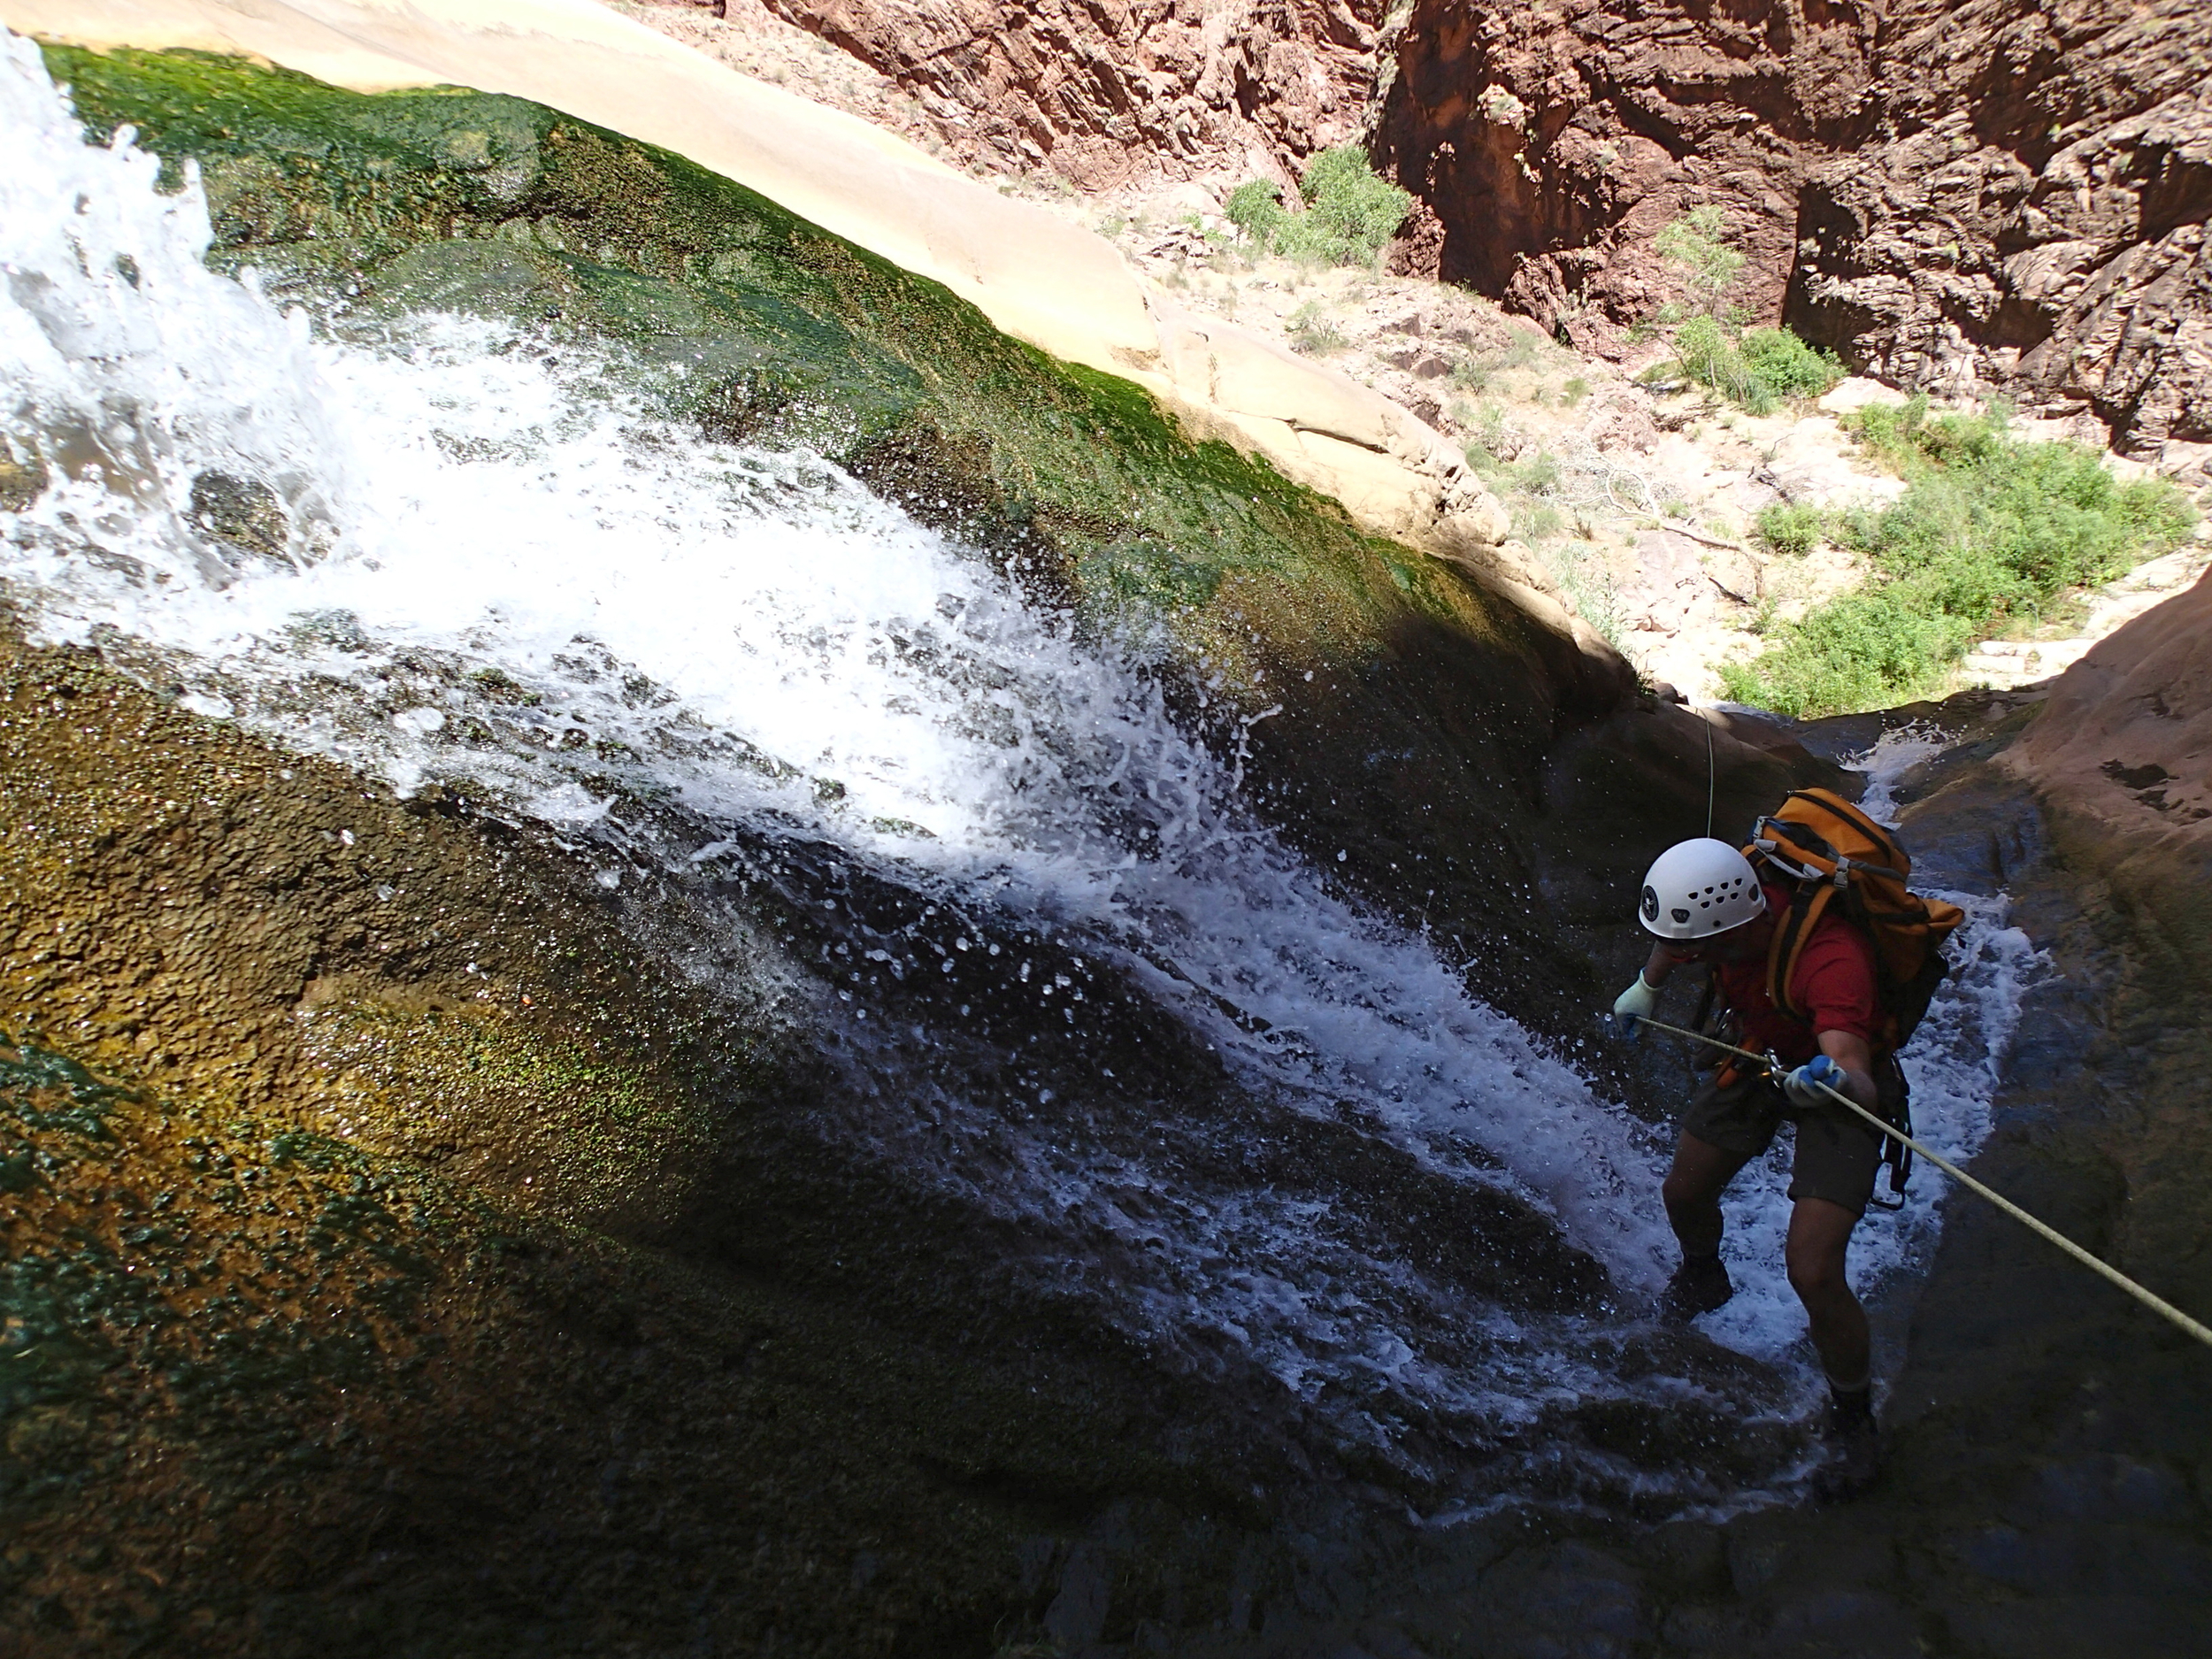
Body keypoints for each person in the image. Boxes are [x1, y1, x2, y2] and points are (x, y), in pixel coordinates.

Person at [1610, 836, 1890, 1500]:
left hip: (1838, 1080)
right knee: (1683, 1191)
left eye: (1698, 950)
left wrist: (1833, 1085)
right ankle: (1705, 1277)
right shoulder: (1715, 914)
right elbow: (1677, 937)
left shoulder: (1831, 959)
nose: (1688, 960)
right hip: (1764, 1053)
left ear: (1735, 927)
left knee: (1814, 1269)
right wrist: (1647, 986)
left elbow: (1860, 1074)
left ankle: (1854, 1419)